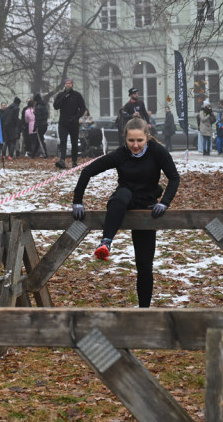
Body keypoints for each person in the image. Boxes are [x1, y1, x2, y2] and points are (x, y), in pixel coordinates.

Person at [70, 116, 180, 308]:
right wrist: (77, 201)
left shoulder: (157, 152)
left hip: (147, 206)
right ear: (125, 139)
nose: (135, 145)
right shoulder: (121, 154)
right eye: (131, 140)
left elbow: (174, 177)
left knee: (144, 265)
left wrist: (164, 203)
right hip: (124, 201)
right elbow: (87, 171)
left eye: (139, 140)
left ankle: (144, 310)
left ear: (147, 137)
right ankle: (106, 242)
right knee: (121, 195)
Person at [53, 79, 87, 168]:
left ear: (72, 85)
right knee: (63, 141)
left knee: (74, 142)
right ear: (64, 85)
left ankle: (74, 161)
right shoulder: (61, 95)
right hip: (63, 122)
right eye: (66, 83)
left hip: (73, 122)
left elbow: (82, 108)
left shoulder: (77, 95)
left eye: (69, 83)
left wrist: (76, 117)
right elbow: (56, 106)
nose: (68, 85)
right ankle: (62, 160)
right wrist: (64, 97)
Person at [33, 92, 49, 158]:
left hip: (40, 125)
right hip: (45, 124)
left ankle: (45, 154)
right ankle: (33, 154)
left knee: (40, 139)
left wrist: (35, 126)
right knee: (39, 139)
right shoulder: (44, 106)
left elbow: (37, 118)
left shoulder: (38, 107)